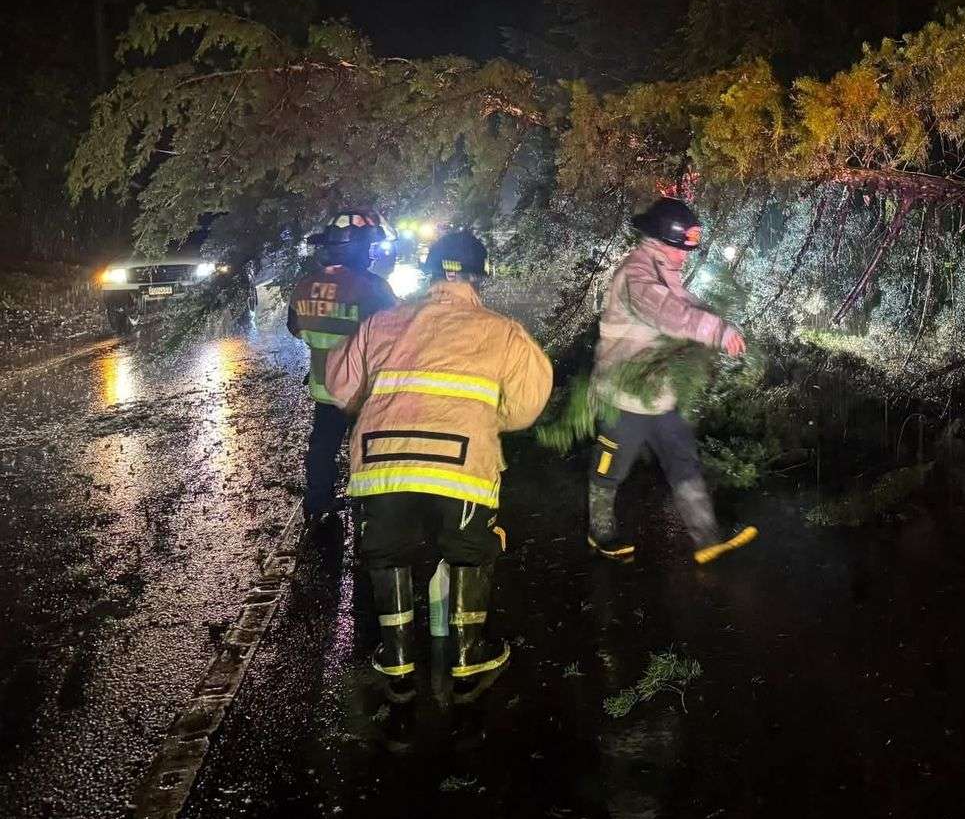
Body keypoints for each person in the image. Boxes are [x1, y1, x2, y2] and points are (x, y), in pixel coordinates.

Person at [324, 229, 552, 700]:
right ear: (479, 277)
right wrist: (485, 420)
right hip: (462, 463)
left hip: (381, 461)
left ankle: (396, 660)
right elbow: (526, 407)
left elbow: (342, 387)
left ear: (430, 272)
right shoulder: (503, 332)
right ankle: (470, 656)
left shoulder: (383, 322)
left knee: (386, 551)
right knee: (470, 547)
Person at [586, 197, 758, 565]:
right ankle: (600, 531)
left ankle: (707, 538)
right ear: (659, 240)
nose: (685, 257)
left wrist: (718, 324)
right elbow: (667, 312)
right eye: (681, 249)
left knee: (684, 462)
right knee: (610, 468)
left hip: (659, 395)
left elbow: (684, 305)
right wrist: (715, 329)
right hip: (623, 396)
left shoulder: (665, 271)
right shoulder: (637, 273)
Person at [287, 211, 398, 527]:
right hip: (364, 389)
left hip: (324, 387)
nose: (371, 254)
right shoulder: (372, 287)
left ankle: (317, 503)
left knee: (322, 446)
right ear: (358, 250)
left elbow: (295, 328)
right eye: (368, 247)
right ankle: (369, 508)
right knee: (366, 448)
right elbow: (395, 333)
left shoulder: (304, 286)